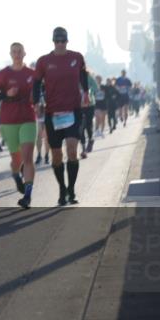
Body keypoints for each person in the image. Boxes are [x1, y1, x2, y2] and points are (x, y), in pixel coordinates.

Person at [33, 27, 89, 206]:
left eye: (63, 41)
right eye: (57, 41)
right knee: (56, 155)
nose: (60, 44)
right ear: (53, 41)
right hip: (52, 113)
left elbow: (83, 75)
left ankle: (71, 190)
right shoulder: (44, 61)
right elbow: (35, 83)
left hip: (73, 110)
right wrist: (36, 103)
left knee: (72, 151)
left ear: (67, 41)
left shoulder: (76, 57)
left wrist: (86, 93)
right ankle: (62, 188)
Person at [0, 43, 38, 208]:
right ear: (10, 54)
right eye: (14, 51)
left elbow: (40, 92)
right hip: (8, 120)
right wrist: (6, 94)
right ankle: (16, 175)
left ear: (24, 53)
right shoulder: (4, 74)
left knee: (27, 157)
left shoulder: (32, 74)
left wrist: (37, 97)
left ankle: (27, 195)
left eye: (20, 51)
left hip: (28, 118)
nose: (17, 54)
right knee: (16, 159)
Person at [93, 74, 108, 139]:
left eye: (98, 79)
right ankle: (96, 131)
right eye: (96, 79)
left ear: (101, 80)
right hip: (96, 104)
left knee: (103, 119)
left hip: (103, 104)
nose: (97, 80)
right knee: (97, 117)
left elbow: (107, 95)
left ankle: (102, 131)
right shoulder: (93, 87)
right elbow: (91, 95)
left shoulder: (104, 87)